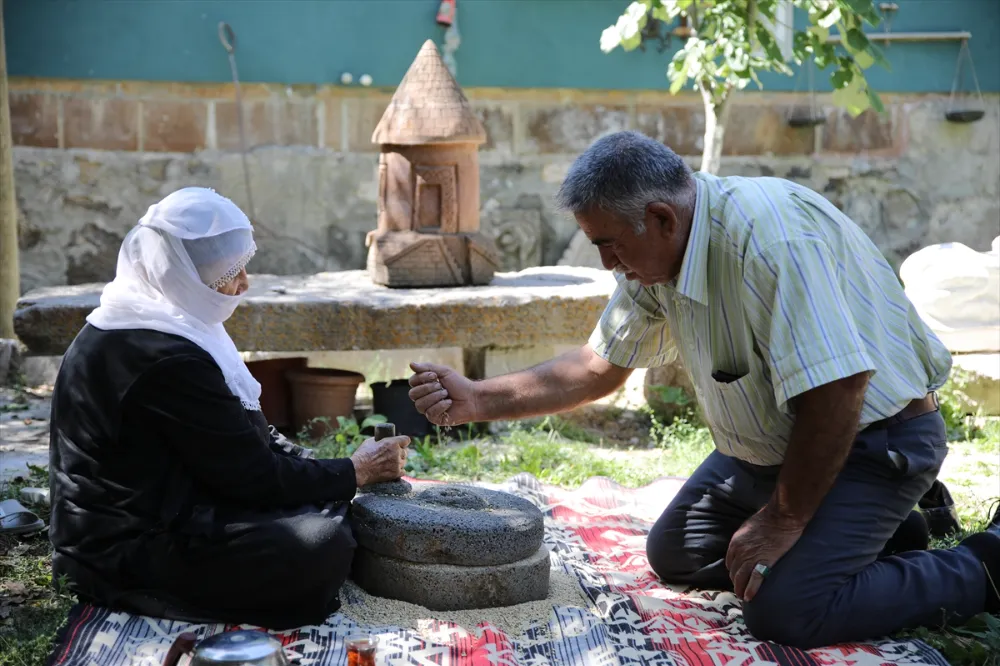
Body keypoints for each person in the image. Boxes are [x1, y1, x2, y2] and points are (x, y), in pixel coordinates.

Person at [406, 131, 999, 649]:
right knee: (676, 553)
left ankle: (982, 564)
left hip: (872, 441)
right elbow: (597, 367)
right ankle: (887, 536)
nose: (610, 263)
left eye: (610, 244)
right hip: (774, 451)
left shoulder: (770, 242)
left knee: (786, 610)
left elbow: (840, 390)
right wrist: (478, 398)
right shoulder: (657, 253)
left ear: (662, 217)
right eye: (598, 247)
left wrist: (785, 519)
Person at [48, 187, 409, 630]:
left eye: (243, 267)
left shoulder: (157, 321)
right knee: (320, 543)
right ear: (183, 275)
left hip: (175, 501)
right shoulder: (164, 356)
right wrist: (353, 473)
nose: (243, 284)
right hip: (122, 550)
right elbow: (252, 476)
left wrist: (323, 470)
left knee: (323, 513)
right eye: (230, 272)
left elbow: (246, 433)